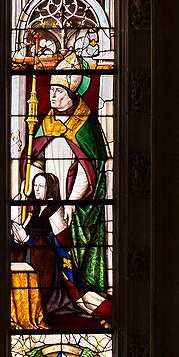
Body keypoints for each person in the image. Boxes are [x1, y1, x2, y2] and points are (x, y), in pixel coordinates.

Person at [23, 52, 109, 293]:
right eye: (51, 89)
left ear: (73, 94)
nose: (53, 95)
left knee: (70, 250)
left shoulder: (86, 123)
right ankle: (56, 294)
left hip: (76, 202)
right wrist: (35, 185)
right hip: (48, 196)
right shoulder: (46, 122)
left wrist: (72, 201)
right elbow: (36, 159)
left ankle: (80, 293)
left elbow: (90, 167)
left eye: (60, 91)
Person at [11, 170, 111, 322]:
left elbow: (60, 240)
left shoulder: (55, 209)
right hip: (32, 253)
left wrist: (29, 240)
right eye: (35, 185)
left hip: (47, 259)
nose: (36, 189)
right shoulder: (36, 210)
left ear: (50, 188)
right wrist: (21, 237)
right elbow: (27, 233)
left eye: (41, 186)